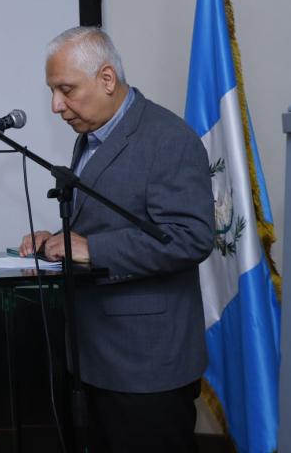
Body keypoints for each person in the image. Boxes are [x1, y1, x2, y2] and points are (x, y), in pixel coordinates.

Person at [19, 26, 215, 452]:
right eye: (53, 91)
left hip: (146, 367)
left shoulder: (168, 139)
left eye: (66, 90)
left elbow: (191, 237)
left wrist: (93, 249)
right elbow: (110, 220)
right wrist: (56, 240)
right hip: (94, 357)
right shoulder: (90, 138)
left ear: (107, 79)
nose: (56, 106)